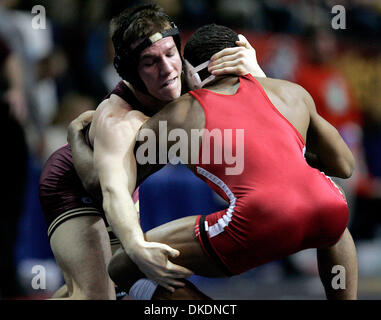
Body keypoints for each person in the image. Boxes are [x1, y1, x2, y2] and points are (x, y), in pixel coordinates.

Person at [71, 23, 358, 300]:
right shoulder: (291, 92)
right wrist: (284, 148)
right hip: (327, 209)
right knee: (332, 212)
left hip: (257, 220)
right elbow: (344, 165)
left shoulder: (181, 114)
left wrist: (75, 139)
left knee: (123, 267)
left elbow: (101, 184)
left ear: (191, 72)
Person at [38, 4, 264, 300]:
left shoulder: (189, 75)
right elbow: (99, 185)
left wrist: (256, 71)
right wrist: (134, 244)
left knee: (109, 283)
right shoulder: (118, 117)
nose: (168, 69)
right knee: (97, 295)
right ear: (131, 72)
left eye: (170, 54)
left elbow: (262, 115)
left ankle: (80, 283)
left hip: (120, 186)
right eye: (150, 62)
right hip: (78, 184)